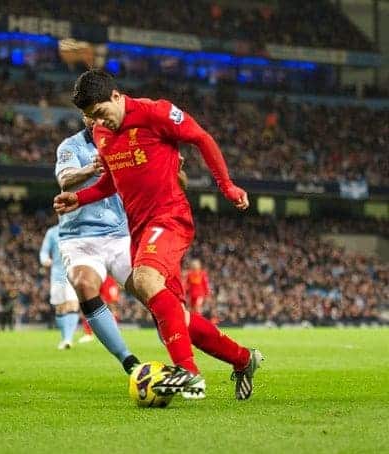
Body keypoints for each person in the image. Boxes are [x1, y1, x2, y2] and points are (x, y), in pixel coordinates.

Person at [55, 70, 262, 400]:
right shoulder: (102, 133)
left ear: (116, 96)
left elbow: (201, 138)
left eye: (100, 112)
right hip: (138, 229)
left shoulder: (156, 112)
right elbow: (111, 182)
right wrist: (78, 197)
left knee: (147, 281)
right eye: (91, 118)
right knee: (174, 316)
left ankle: (189, 373)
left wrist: (227, 186)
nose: (98, 122)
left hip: (170, 217)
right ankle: (243, 359)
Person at [55, 117, 140, 374]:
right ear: (84, 117)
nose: (97, 119)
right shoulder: (70, 147)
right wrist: (90, 170)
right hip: (80, 237)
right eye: (91, 113)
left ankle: (184, 365)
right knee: (83, 283)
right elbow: (65, 180)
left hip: (119, 235)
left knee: (154, 291)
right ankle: (129, 362)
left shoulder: (126, 144)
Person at [39, 224, 79, 349]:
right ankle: (65, 337)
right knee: (61, 307)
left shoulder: (78, 228)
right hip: (58, 275)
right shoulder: (52, 232)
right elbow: (44, 251)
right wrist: (45, 259)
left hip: (74, 272)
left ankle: (68, 339)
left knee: (73, 305)